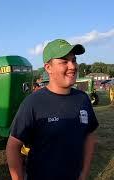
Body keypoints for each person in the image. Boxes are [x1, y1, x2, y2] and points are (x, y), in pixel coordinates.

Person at [6, 39, 98, 180]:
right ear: (48, 68)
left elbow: (89, 135)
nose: (72, 66)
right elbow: (13, 146)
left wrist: (84, 173)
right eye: (64, 62)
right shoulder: (33, 102)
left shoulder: (83, 99)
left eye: (74, 60)